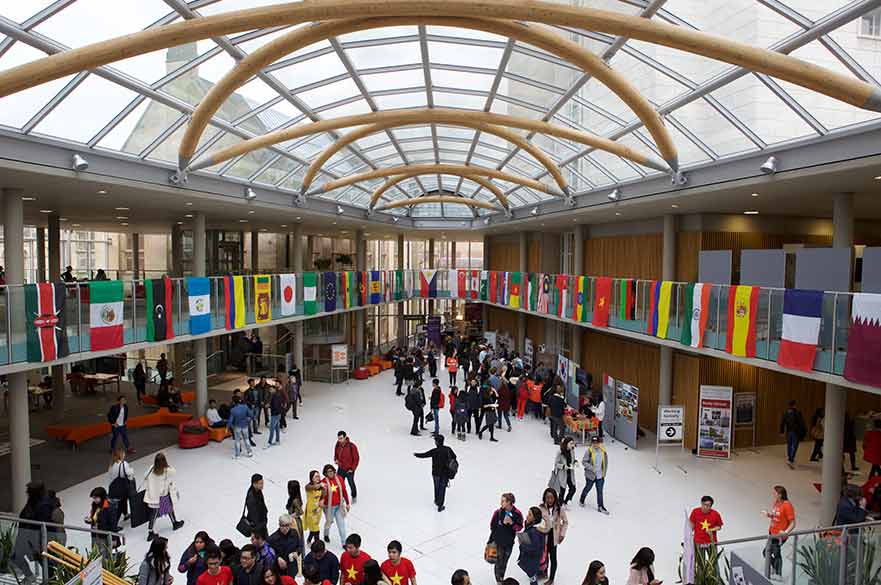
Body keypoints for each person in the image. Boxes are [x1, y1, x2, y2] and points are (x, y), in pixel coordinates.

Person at [145, 452, 184, 540]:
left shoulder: (151, 468)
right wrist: (167, 465)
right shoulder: (167, 470)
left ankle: (150, 532)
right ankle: (175, 524)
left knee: (154, 514)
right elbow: (174, 472)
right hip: (162, 496)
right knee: (169, 509)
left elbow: (145, 476)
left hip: (153, 495)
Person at [414, 434, 457, 512]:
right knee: (442, 488)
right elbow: (454, 457)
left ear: (437, 442)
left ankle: (437, 501)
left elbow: (424, 455)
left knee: (437, 487)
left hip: (436, 473)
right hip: (445, 473)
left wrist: (416, 455)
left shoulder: (434, 451)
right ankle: (440, 505)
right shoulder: (448, 449)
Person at [488, 493, 524, 585]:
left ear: (509, 502)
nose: (501, 503)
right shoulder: (498, 513)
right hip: (498, 543)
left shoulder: (517, 514)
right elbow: (492, 526)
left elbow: (520, 527)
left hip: (509, 543)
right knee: (498, 562)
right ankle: (499, 581)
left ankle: (501, 577)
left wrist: (512, 523)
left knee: (504, 562)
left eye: (503, 501)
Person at [762, 485, 796, 578]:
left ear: (780, 495)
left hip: (779, 535)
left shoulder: (787, 505)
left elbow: (793, 523)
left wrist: (786, 531)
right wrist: (769, 515)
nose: (773, 494)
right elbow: (776, 516)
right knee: (769, 552)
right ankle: (776, 569)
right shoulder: (776, 503)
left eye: (775, 493)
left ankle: (778, 573)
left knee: (771, 553)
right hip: (772, 533)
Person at [537, 488, 567, 585]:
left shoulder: (559, 509)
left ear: (555, 498)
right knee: (543, 556)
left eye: (551, 498)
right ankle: (543, 572)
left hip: (553, 536)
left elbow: (565, 522)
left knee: (553, 558)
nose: (549, 500)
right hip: (543, 536)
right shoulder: (541, 508)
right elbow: (537, 521)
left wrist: (562, 534)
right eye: (547, 498)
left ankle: (551, 578)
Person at [320, 464, 350, 546]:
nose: (330, 473)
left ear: (334, 471)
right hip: (329, 507)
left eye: (331, 471)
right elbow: (320, 495)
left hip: (339, 506)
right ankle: (326, 534)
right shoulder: (323, 482)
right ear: (325, 473)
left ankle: (344, 543)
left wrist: (347, 503)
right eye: (328, 472)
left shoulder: (339, 479)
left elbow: (344, 491)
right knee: (329, 522)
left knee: (341, 525)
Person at [580, 436, 609, 514]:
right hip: (591, 475)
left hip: (600, 476)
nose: (595, 445)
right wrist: (591, 468)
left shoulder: (603, 451)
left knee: (600, 491)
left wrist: (604, 472)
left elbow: (605, 462)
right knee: (588, 488)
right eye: (593, 443)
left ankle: (600, 506)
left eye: (597, 443)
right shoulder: (589, 451)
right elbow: (584, 462)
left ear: (600, 443)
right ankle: (582, 499)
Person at [517, 507, 545, 585]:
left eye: (529, 515)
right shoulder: (531, 526)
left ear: (534, 518)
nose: (527, 516)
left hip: (532, 559)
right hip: (531, 558)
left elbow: (534, 548)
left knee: (532, 577)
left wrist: (522, 544)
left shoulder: (535, 531)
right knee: (532, 575)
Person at [84, 486, 117, 552]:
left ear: (101, 497)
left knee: (103, 554)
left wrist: (114, 538)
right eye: (93, 498)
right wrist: (91, 520)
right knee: (96, 553)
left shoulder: (109, 507)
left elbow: (112, 524)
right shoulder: (95, 506)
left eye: (96, 498)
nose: (94, 500)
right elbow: (95, 518)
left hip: (103, 535)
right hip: (95, 534)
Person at [268, 514, 301, 579]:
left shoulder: (294, 533)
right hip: (278, 569)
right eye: (282, 525)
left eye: (287, 525)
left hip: (291, 567)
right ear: (279, 525)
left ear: (290, 525)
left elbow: (299, 546)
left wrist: (297, 552)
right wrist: (277, 558)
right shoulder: (272, 538)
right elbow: (269, 553)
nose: (285, 528)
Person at [108, 447, 135, 522]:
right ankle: (114, 524)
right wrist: (132, 469)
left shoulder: (111, 464)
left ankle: (126, 514)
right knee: (122, 502)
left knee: (122, 501)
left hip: (113, 487)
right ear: (121, 455)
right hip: (122, 488)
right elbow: (129, 474)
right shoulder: (123, 464)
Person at [549, 437, 576, 505]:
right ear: (566, 444)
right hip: (562, 474)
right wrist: (563, 466)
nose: (572, 445)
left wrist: (575, 462)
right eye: (571, 443)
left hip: (570, 473)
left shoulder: (572, 451)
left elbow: (573, 460)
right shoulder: (560, 452)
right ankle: (560, 504)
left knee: (573, 489)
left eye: (573, 443)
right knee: (562, 491)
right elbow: (556, 464)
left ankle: (566, 501)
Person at [334, 431, 360, 503]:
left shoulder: (352, 446)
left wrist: (352, 469)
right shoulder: (337, 445)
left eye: (341, 438)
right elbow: (335, 454)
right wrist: (336, 459)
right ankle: (341, 497)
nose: (340, 440)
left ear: (345, 438)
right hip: (341, 468)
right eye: (339, 438)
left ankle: (354, 496)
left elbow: (356, 459)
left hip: (349, 470)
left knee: (351, 483)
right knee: (339, 484)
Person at [779, 400, 806, 468]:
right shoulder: (797, 412)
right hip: (795, 432)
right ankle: (791, 459)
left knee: (789, 445)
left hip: (788, 432)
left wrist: (781, 431)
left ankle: (789, 458)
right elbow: (801, 423)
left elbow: (782, 422)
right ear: (794, 405)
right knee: (795, 446)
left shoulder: (785, 413)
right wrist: (804, 431)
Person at [285, 481, 306, 558]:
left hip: (295, 522)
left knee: (296, 540)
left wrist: (290, 516)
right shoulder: (293, 498)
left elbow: (301, 512)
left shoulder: (295, 500)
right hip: (293, 521)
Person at [304, 471, 325, 545]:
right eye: (316, 476)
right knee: (316, 529)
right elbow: (311, 487)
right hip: (311, 510)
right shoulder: (308, 487)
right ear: (311, 478)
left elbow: (323, 496)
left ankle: (309, 540)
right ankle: (317, 545)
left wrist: (322, 500)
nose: (318, 478)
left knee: (314, 527)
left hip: (318, 509)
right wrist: (319, 485)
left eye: (318, 476)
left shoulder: (322, 487)